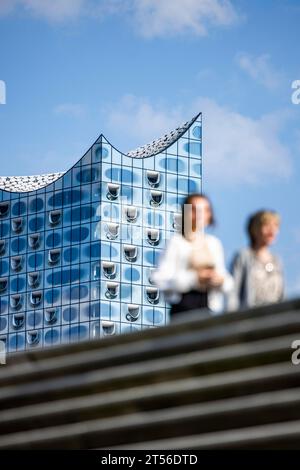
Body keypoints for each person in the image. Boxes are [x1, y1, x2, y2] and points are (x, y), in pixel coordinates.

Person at [152, 193, 233, 316]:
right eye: (194, 210)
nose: (199, 215)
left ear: (209, 215)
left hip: (209, 308)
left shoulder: (213, 243)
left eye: (204, 210)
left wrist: (219, 280)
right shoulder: (176, 242)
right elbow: (160, 279)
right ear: (186, 213)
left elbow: (227, 281)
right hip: (183, 307)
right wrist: (194, 279)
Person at [228, 210, 284, 310]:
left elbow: (282, 295)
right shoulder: (243, 256)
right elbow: (233, 292)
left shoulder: (277, 260)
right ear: (254, 229)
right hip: (250, 317)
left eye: (275, 226)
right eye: (266, 225)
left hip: (275, 317)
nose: (272, 230)